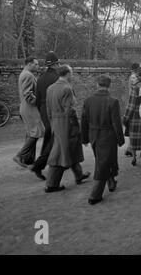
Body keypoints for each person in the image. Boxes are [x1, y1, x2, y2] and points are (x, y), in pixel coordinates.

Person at [45, 65, 90, 193]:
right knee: (62, 152)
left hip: (56, 122)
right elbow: (69, 110)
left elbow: (48, 110)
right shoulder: (67, 88)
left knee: (71, 149)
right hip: (66, 123)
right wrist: (76, 126)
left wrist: (53, 123)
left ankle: (79, 175)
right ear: (67, 74)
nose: (73, 75)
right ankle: (51, 184)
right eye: (71, 73)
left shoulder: (50, 88)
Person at [81, 75, 125, 205]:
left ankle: (111, 183)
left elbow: (84, 120)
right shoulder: (112, 101)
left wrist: (84, 138)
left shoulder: (88, 101)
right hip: (107, 136)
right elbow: (116, 123)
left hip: (94, 136)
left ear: (97, 85)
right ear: (109, 86)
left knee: (104, 161)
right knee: (103, 164)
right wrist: (120, 139)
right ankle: (95, 195)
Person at [27, 52, 60, 180]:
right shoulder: (57, 77)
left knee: (50, 137)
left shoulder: (40, 78)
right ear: (56, 64)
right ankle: (39, 165)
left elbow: (37, 98)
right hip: (54, 110)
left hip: (43, 110)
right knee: (54, 139)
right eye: (58, 63)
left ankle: (46, 165)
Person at [13, 57, 45, 170]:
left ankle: (28, 158)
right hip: (30, 108)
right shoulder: (28, 75)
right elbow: (28, 94)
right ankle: (19, 155)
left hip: (25, 107)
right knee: (37, 132)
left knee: (31, 132)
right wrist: (39, 100)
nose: (38, 66)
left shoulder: (24, 74)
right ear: (29, 64)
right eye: (36, 64)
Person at [124, 63, 140, 157]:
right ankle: (129, 148)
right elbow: (135, 88)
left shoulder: (132, 76)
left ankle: (130, 148)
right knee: (132, 127)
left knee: (133, 127)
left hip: (132, 101)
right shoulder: (134, 77)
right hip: (133, 102)